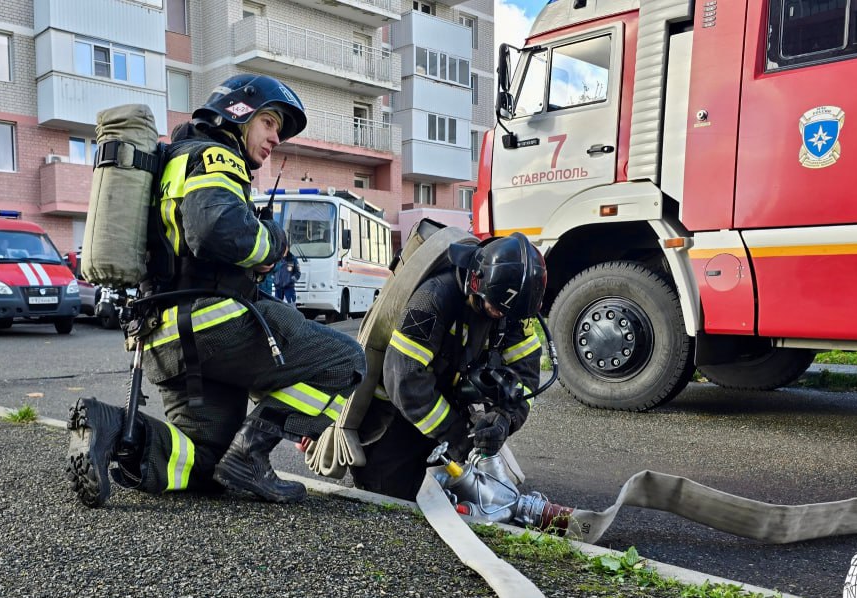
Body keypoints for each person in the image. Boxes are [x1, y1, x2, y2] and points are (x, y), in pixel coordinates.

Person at [70, 74, 365, 505]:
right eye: (269, 122)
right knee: (345, 360)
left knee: (205, 460)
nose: (275, 137)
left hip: (163, 337)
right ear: (238, 114)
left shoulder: (178, 160)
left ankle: (111, 429)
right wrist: (274, 242)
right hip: (211, 322)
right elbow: (216, 230)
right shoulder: (215, 157)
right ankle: (252, 455)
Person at [348, 233, 547, 500]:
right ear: (476, 282)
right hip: (395, 414)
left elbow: (526, 375)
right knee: (390, 496)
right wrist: (458, 437)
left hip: (445, 402)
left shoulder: (511, 309)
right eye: (497, 311)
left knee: (458, 494)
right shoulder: (432, 300)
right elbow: (404, 382)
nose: (503, 318)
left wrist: (504, 419)